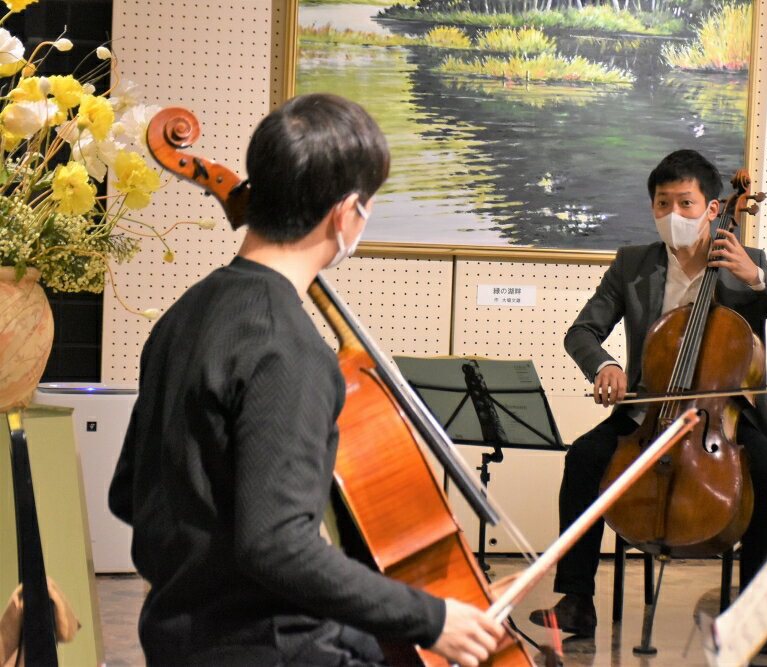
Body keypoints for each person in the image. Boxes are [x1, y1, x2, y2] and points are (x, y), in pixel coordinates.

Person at [108, 93, 504, 667]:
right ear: (345, 214)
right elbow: (275, 545)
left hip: (176, 641)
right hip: (273, 650)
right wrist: (432, 619)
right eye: (367, 206)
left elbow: (128, 493)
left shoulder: (183, 315)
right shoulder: (288, 349)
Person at [528, 150, 767, 655]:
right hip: (650, 409)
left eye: (685, 203)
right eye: (662, 204)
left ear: (713, 209)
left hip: (721, 414)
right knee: (583, 458)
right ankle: (576, 598)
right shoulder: (632, 265)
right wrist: (605, 365)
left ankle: (757, 610)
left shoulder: (746, 265)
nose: (673, 215)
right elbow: (582, 331)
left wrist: (757, 279)